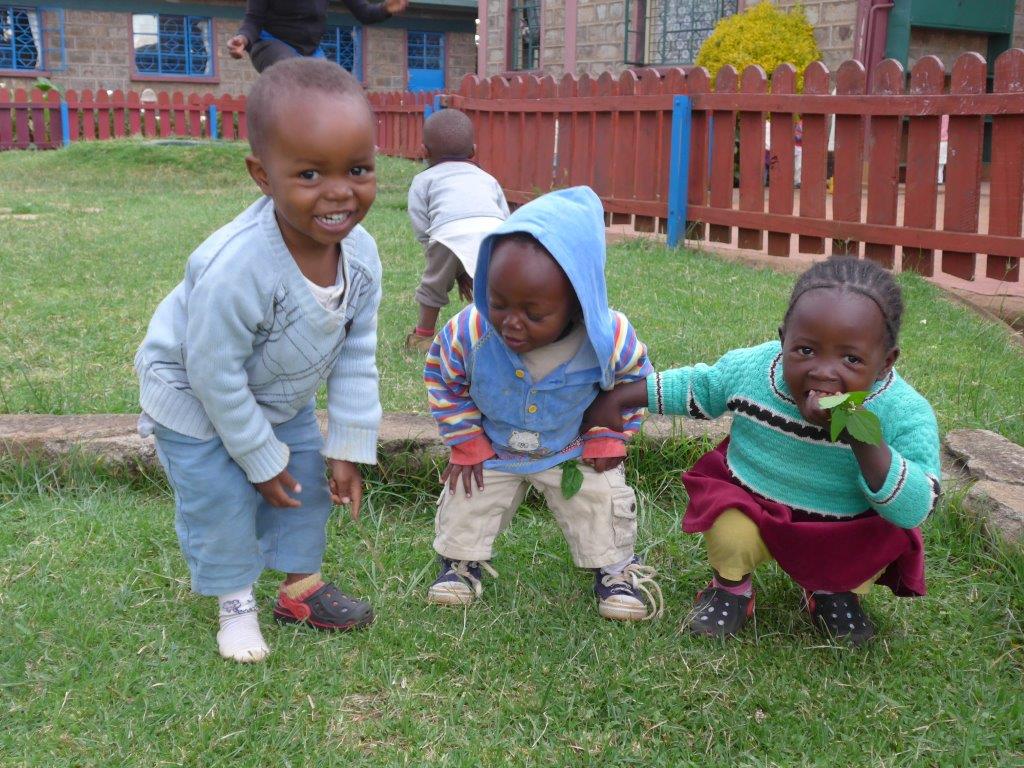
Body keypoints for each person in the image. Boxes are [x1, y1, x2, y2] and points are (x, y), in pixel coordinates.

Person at [134, 59, 383, 663]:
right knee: (224, 497)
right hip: (192, 400)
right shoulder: (239, 267)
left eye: (358, 169)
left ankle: (299, 591)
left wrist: (348, 444)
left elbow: (356, 350)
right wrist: (257, 459)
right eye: (308, 173)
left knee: (303, 490)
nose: (338, 192)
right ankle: (236, 604)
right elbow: (212, 376)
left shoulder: (363, 255)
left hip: (277, 395)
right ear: (262, 175)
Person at [584, 257, 940, 644]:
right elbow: (700, 387)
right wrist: (623, 397)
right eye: (805, 350)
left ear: (886, 363)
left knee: (866, 548)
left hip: (842, 522)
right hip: (754, 501)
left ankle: (834, 591)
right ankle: (731, 588)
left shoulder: (904, 411)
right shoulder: (756, 369)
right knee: (730, 533)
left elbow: (915, 507)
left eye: (851, 359)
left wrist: (861, 436)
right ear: (783, 338)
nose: (824, 371)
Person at [423, 186, 663, 621]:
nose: (511, 322)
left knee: (600, 498)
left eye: (534, 315)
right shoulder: (470, 332)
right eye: (498, 303)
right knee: (468, 494)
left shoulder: (608, 339)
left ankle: (616, 569)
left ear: (577, 305)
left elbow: (635, 381)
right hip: (492, 447)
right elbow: (443, 377)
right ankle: (460, 563)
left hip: (571, 447)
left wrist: (609, 434)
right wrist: (465, 439)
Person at [406, 108, 509, 354]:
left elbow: (420, 221)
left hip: (445, 234)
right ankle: (494, 335)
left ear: (425, 152)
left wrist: (431, 245)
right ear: (473, 150)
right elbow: (504, 216)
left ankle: (423, 337)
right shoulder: (487, 178)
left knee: (434, 284)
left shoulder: (424, 179)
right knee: (490, 286)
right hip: (494, 234)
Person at [227, 0, 408, 73]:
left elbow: (364, 13)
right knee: (293, 71)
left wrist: (386, 8)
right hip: (269, 43)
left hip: (310, 51)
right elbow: (253, 20)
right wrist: (242, 39)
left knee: (333, 83)